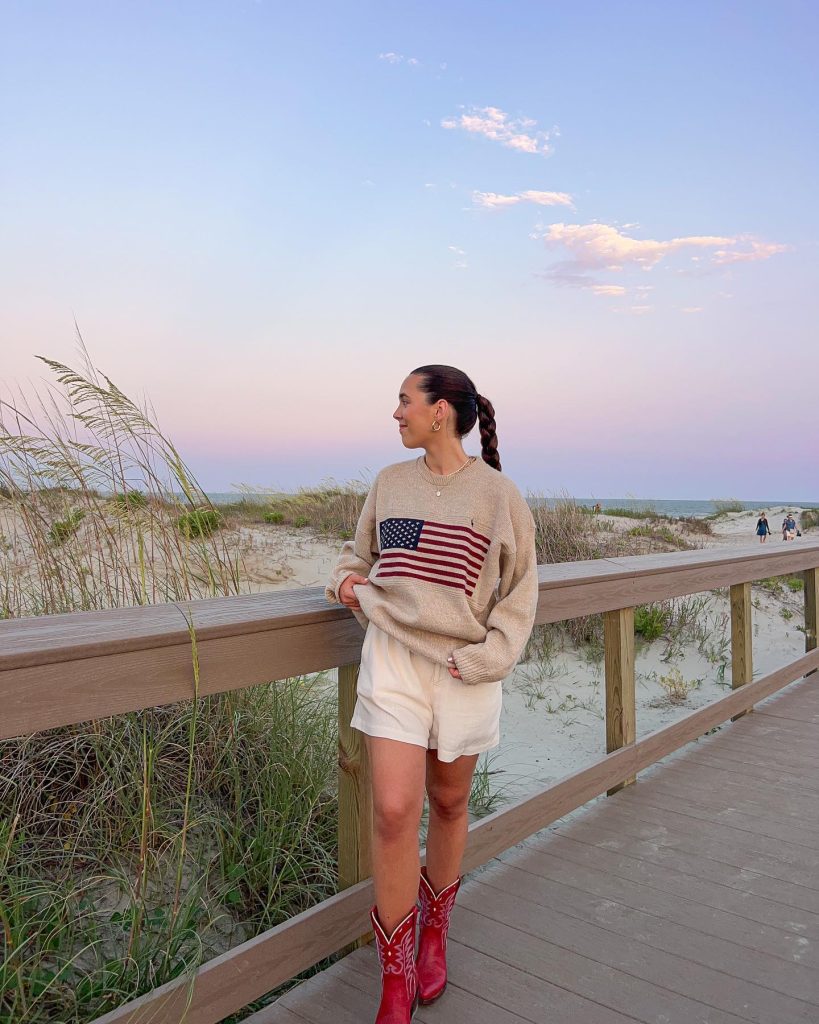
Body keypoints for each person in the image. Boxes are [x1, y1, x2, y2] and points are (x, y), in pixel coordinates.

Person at [325, 365, 539, 1022]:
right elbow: (357, 558)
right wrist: (344, 583)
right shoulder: (389, 484)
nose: (395, 413)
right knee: (392, 812)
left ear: (440, 411)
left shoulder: (498, 495)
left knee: (448, 804)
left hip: (462, 671)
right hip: (392, 661)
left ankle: (435, 933)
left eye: (403, 400)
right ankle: (394, 975)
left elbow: (519, 591)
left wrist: (487, 659)